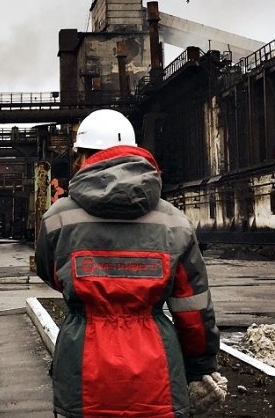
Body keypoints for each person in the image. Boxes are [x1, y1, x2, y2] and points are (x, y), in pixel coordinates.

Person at [36, 109, 226, 417]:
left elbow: (51, 274)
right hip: (157, 378)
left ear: (83, 156)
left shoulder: (58, 218)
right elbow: (193, 309)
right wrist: (199, 369)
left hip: (83, 375)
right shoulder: (174, 222)